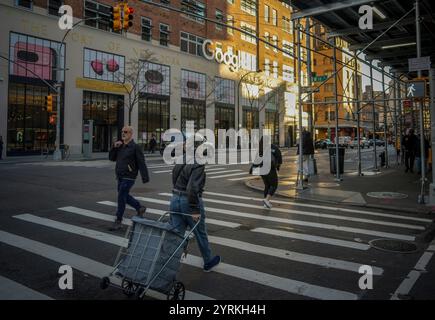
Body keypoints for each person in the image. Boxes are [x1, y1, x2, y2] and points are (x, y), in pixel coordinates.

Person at [169, 134, 221, 272]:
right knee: (200, 232)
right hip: (188, 201)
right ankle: (208, 261)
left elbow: (174, 178)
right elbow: (193, 188)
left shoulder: (182, 158)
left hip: (175, 198)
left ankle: (168, 263)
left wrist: (178, 194)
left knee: (176, 235)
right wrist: (194, 209)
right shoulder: (198, 161)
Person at [108, 126, 149, 231]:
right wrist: (114, 147)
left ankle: (118, 220)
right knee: (124, 196)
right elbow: (111, 158)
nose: (123, 134)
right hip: (120, 176)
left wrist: (145, 177)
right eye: (122, 132)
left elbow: (141, 162)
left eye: (125, 132)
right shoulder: (120, 146)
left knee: (121, 196)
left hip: (129, 176)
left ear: (131, 134)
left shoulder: (135, 147)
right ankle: (139, 207)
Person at [250, 136, 283, 209]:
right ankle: (266, 199)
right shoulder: (273, 147)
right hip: (270, 169)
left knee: (267, 185)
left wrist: (253, 168)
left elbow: (256, 160)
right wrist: (278, 166)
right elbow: (279, 158)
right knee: (274, 185)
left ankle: (265, 203)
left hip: (262, 170)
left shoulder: (260, 149)